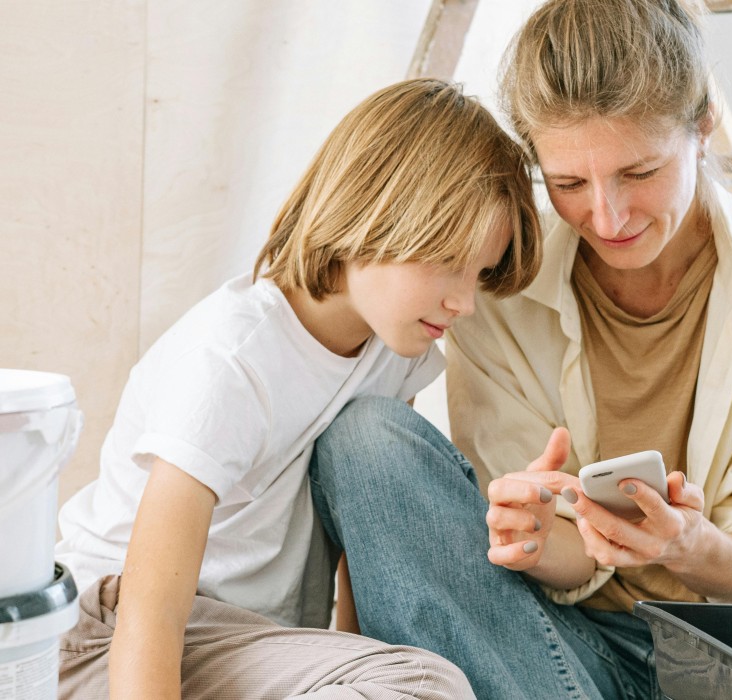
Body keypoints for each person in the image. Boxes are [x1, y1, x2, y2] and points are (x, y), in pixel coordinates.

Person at [309, 0, 732, 698]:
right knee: (365, 441)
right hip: (564, 651)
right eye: (567, 184)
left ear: (703, 123)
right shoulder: (498, 294)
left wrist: (688, 546)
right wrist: (533, 541)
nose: (607, 216)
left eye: (639, 173)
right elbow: (560, 554)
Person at [53, 77, 540, 700]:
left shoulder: (392, 349)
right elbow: (153, 607)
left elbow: (362, 546)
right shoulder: (231, 362)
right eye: (447, 263)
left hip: (248, 641)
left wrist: (357, 663)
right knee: (423, 684)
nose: (464, 301)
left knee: (407, 680)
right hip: (115, 637)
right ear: (374, 213)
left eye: (480, 273)